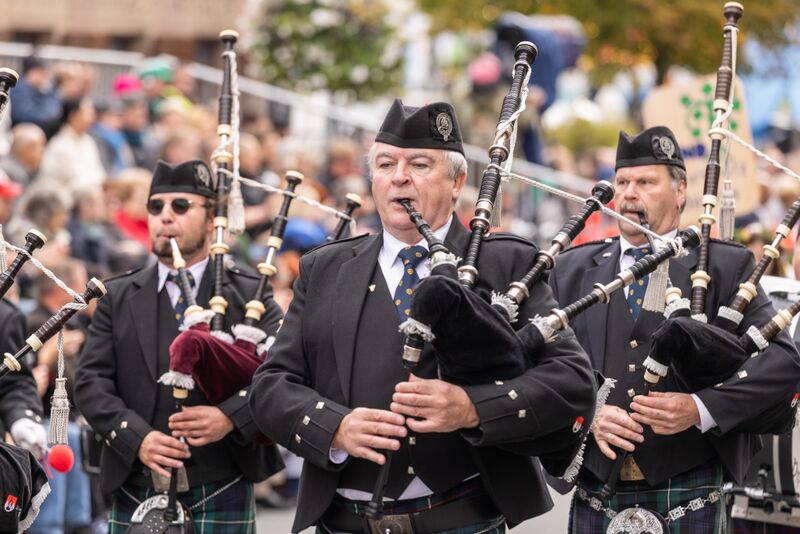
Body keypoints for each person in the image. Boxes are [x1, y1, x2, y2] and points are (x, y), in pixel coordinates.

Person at [249, 99, 597, 533]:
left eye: (419, 164)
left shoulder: (507, 264)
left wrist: (472, 408)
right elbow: (270, 387)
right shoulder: (326, 269)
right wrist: (334, 427)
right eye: (385, 164)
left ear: (457, 181)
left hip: (464, 520)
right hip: (346, 523)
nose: (399, 177)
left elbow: (571, 382)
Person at [548, 126, 800, 533]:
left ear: (681, 191)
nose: (629, 194)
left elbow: (784, 364)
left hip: (690, 489)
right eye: (623, 182)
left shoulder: (723, 267)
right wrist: (588, 414)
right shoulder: (573, 270)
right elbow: (541, 369)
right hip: (596, 492)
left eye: (646, 182)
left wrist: (698, 409)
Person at [75, 159, 284, 533]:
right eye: (156, 206)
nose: (165, 216)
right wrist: (137, 437)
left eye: (181, 205)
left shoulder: (249, 293)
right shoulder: (117, 296)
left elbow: (279, 376)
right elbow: (90, 383)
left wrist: (229, 417)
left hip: (223, 481)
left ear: (210, 219)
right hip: (137, 485)